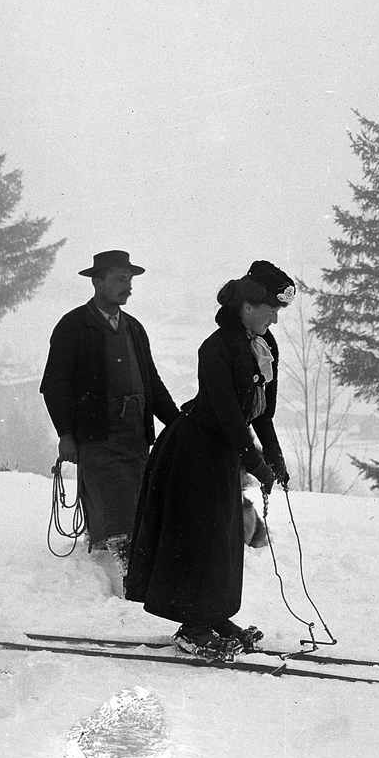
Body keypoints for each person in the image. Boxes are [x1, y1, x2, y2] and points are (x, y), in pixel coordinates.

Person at [124, 262, 296, 661]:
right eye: (270, 308)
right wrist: (256, 464)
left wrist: (275, 458)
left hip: (223, 452)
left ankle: (215, 615)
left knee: (224, 539)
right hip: (194, 450)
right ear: (248, 306)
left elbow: (262, 414)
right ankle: (193, 625)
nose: (275, 317)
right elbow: (229, 417)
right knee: (200, 540)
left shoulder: (264, 345)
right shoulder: (216, 348)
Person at [39, 250, 180, 587]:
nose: (127, 286)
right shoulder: (73, 326)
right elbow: (55, 385)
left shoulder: (134, 329)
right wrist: (66, 434)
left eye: (130, 280)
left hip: (135, 436)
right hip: (97, 436)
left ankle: (133, 573)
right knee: (119, 509)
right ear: (98, 282)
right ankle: (128, 582)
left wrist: (176, 423)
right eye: (120, 279)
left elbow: (152, 383)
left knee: (139, 505)